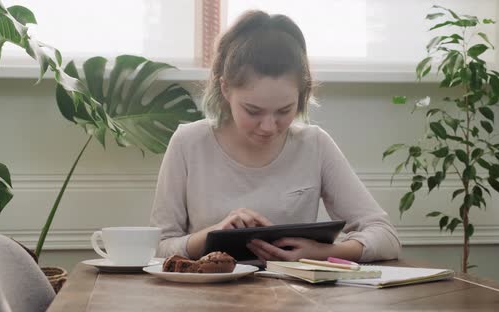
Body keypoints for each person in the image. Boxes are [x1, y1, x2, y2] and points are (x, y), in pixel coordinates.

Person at [150, 10, 401, 263]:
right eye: (253, 111)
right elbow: (159, 247)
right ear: (225, 88)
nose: (269, 127)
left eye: (284, 111)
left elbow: (386, 237)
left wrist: (323, 253)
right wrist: (212, 236)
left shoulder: (315, 144)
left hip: (295, 296)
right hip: (207, 295)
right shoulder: (188, 143)